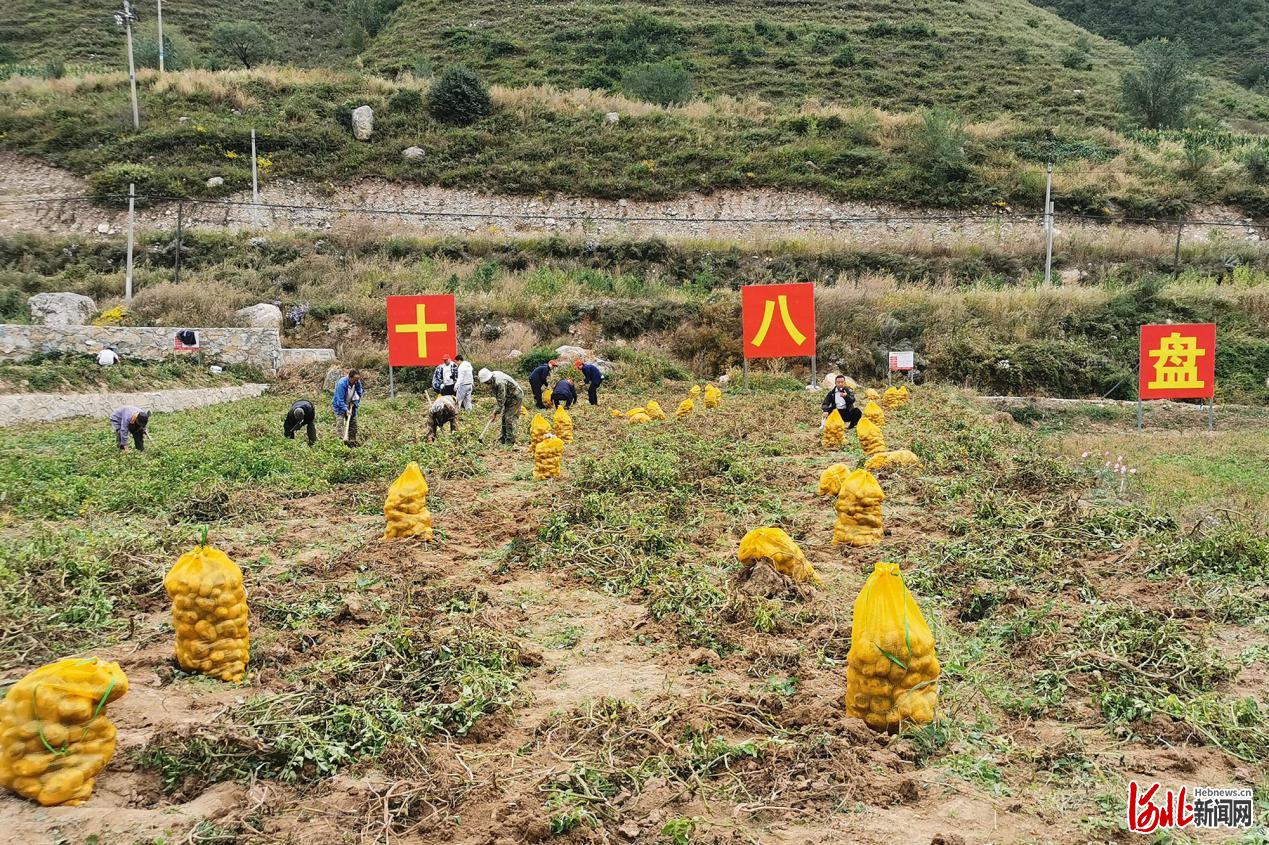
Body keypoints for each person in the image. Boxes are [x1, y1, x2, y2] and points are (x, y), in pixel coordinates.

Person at [479, 367, 525, 445]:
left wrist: (495, 413)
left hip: (516, 397)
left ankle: (510, 441)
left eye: (486, 382)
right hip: (509, 396)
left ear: (489, 378)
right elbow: (499, 398)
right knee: (504, 417)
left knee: (508, 418)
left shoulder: (500, 382)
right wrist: (495, 412)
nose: (486, 384)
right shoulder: (493, 378)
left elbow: (501, 400)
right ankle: (503, 438)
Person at [332, 369, 365, 446]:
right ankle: (340, 443)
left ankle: (352, 441)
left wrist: (355, 401)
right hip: (339, 406)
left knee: (353, 423)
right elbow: (340, 400)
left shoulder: (357, 382)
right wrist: (346, 409)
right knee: (340, 424)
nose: (356, 381)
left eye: (357, 380)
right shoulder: (341, 384)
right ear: (350, 377)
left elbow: (359, 393)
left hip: (351, 404)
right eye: (355, 380)